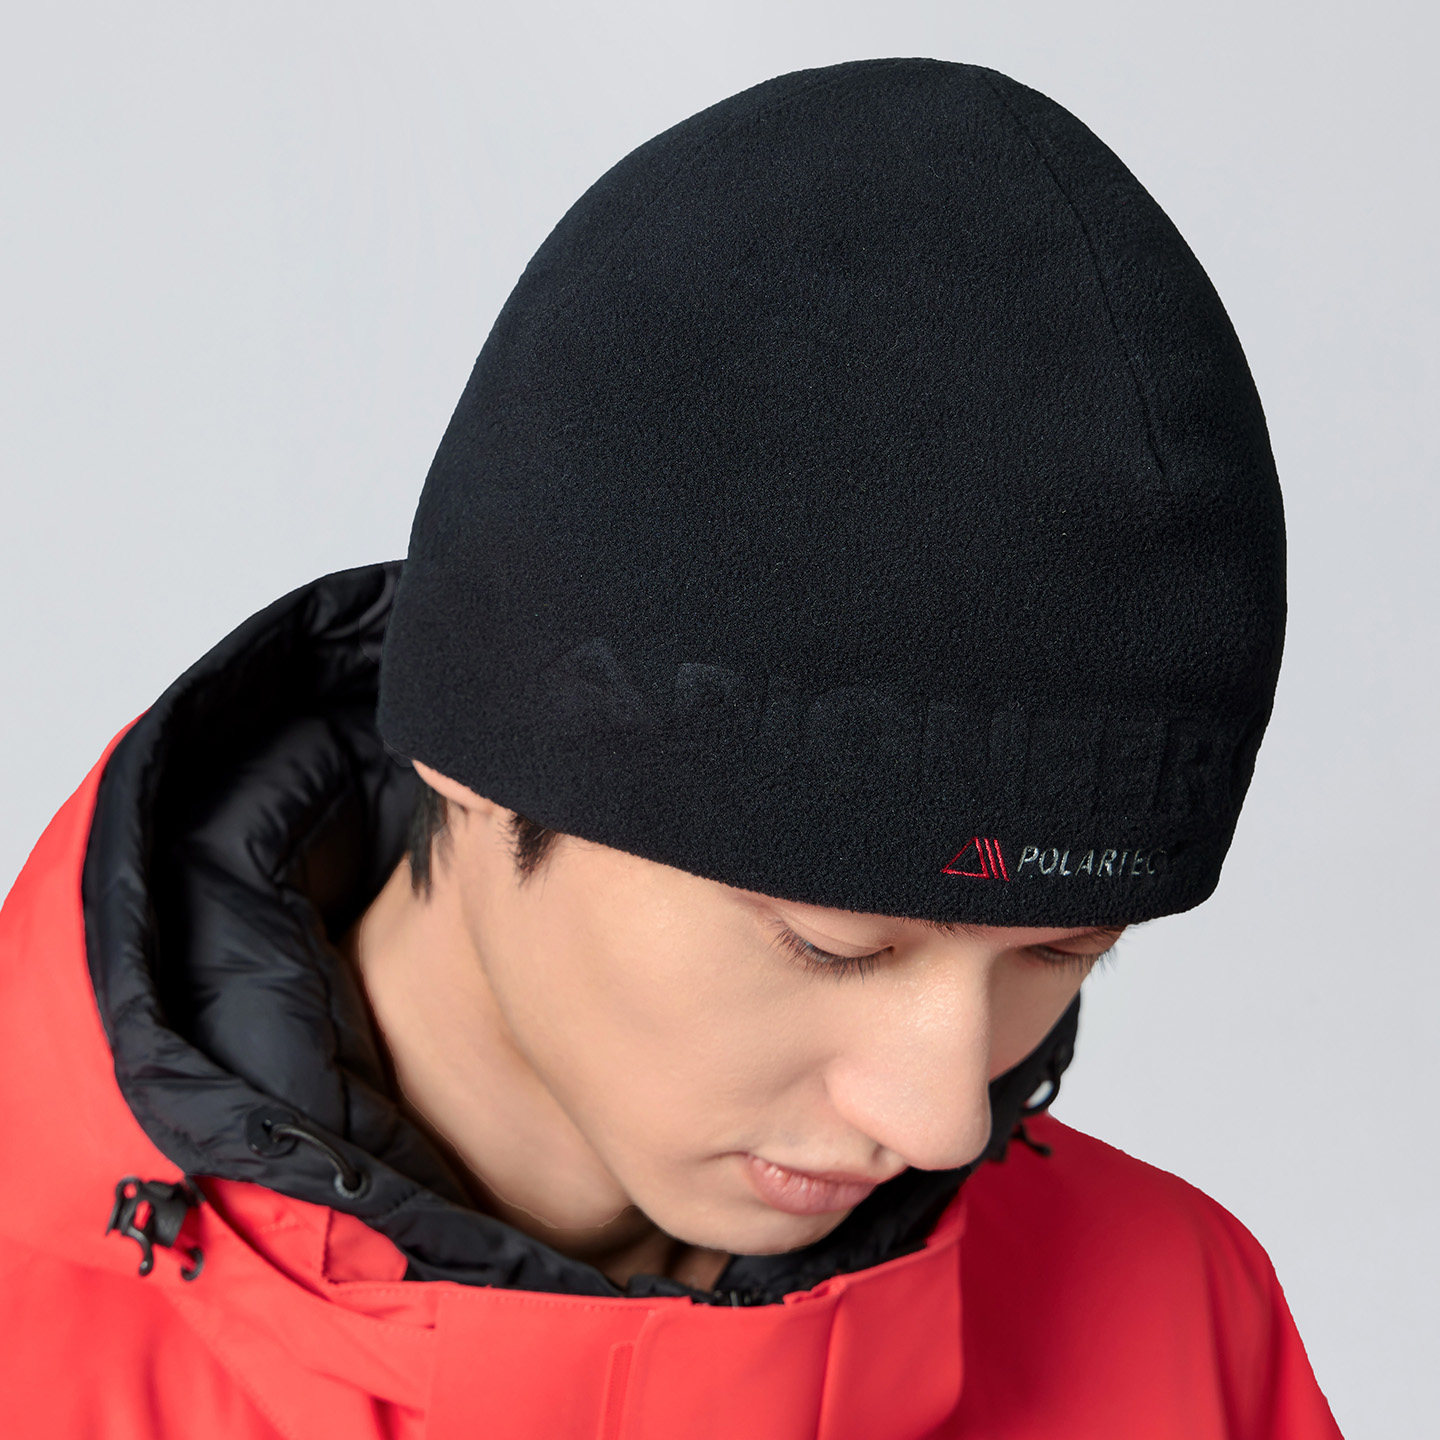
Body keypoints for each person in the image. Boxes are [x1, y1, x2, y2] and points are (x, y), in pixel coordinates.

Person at [0, 56, 1344, 1439]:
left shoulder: (1179, 1326)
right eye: (833, 942)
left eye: (1062, 953)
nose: (945, 1117)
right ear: (477, 744)